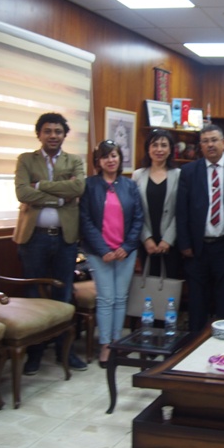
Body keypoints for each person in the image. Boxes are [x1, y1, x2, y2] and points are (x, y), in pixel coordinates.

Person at [13, 112, 88, 374]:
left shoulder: (74, 161)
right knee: (33, 295)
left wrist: (40, 186)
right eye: (48, 131)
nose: (53, 135)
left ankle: (63, 350)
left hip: (65, 238)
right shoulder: (26, 159)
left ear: (64, 135)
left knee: (63, 295)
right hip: (33, 238)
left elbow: (78, 189)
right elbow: (22, 192)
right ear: (39, 134)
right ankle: (34, 353)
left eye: (58, 131)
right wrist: (59, 197)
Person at [177, 124, 224, 332]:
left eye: (214, 140)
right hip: (197, 249)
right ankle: (195, 345)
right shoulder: (189, 171)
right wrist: (184, 244)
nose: (210, 145)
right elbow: (181, 210)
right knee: (197, 303)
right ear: (200, 146)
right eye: (205, 141)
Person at [79, 140, 144, 367]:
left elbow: (138, 219)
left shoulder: (130, 185)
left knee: (120, 298)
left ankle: (117, 341)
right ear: (98, 161)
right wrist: (103, 250)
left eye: (114, 155)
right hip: (100, 254)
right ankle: (106, 344)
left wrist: (127, 247)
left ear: (120, 158)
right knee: (106, 299)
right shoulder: (89, 185)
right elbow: (85, 221)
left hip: (125, 252)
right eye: (105, 156)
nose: (110, 160)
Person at [132, 129, 181, 279]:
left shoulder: (179, 175)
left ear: (170, 150)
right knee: (148, 284)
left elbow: (181, 211)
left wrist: (168, 239)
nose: (159, 149)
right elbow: (135, 211)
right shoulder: (137, 175)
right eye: (155, 145)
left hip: (171, 243)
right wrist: (146, 238)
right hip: (146, 243)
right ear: (148, 148)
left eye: (164, 145)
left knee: (169, 286)